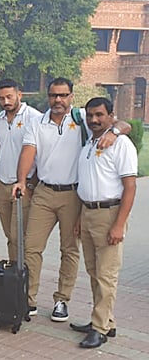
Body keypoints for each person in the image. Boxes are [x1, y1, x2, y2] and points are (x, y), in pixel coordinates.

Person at [12, 77, 131, 321]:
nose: (58, 100)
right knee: (31, 247)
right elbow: (28, 152)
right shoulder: (37, 122)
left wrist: (115, 132)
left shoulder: (82, 118)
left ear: (71, 96)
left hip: (73, 195)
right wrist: (22, 180)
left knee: (69, 249)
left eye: (63, 95)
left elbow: (123, 124)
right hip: (44, 192)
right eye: (54, 95)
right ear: (48, 97)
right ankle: (29, 298)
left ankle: (61, 301)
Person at [71, 97, 137, 349]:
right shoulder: (90, 142)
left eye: (99, 115)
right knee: (94, 272)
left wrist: (119, 224)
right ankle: (105, 321)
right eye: (90, 115)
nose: (94, 120)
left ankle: (99, 328)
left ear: (111, 115)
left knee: (106, 276)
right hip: (88, 214)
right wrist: (79, 218)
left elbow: (130, 188)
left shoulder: (120, 144)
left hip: (109, 214)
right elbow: (87, 183)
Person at [0, 79, 41, 261]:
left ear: (19, 95)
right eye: (1, 98)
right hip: (3, 184)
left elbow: (41, 154)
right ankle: (13, 274)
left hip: (23, 185)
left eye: (9, 97)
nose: (6, 102)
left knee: (18, 236)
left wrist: (31, 182)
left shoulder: (35, 118)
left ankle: (23, 275)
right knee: (10, 236)